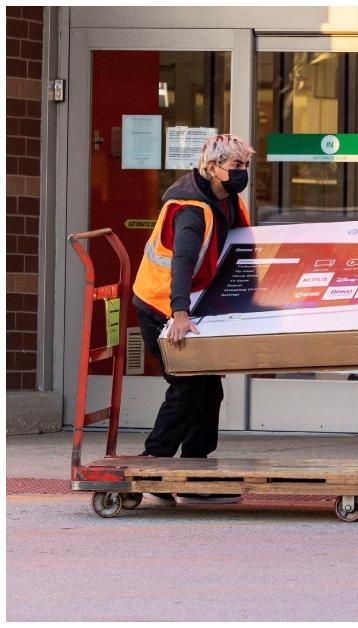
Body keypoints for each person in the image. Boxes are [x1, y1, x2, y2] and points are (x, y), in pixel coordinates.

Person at [130, 134, 255, 505]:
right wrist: (180, 314)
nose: (242, 173)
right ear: (213, 168)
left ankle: (195, 469)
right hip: (161, 307)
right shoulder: (190, 210)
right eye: (236, 167)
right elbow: (182, 263)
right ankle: (155, 464)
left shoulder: (227, 200)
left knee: (207, 387)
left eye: (245, 166)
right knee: (188, 386)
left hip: (191, 306)